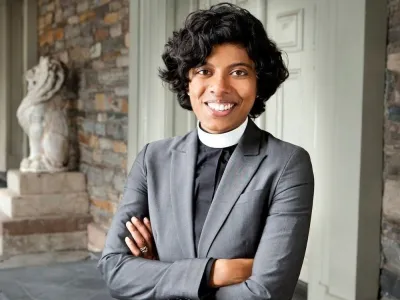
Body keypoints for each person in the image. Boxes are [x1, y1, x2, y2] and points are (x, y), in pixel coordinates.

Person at [98, 3, 314, 300]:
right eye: (204, 70)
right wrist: (216, 273)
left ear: (258, 81)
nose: (219, 87)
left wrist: (159, 274)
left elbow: (267, 292)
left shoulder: (287, 163)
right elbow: (114, 269)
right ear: (186, 81)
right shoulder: (153, 158)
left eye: (238, 72)